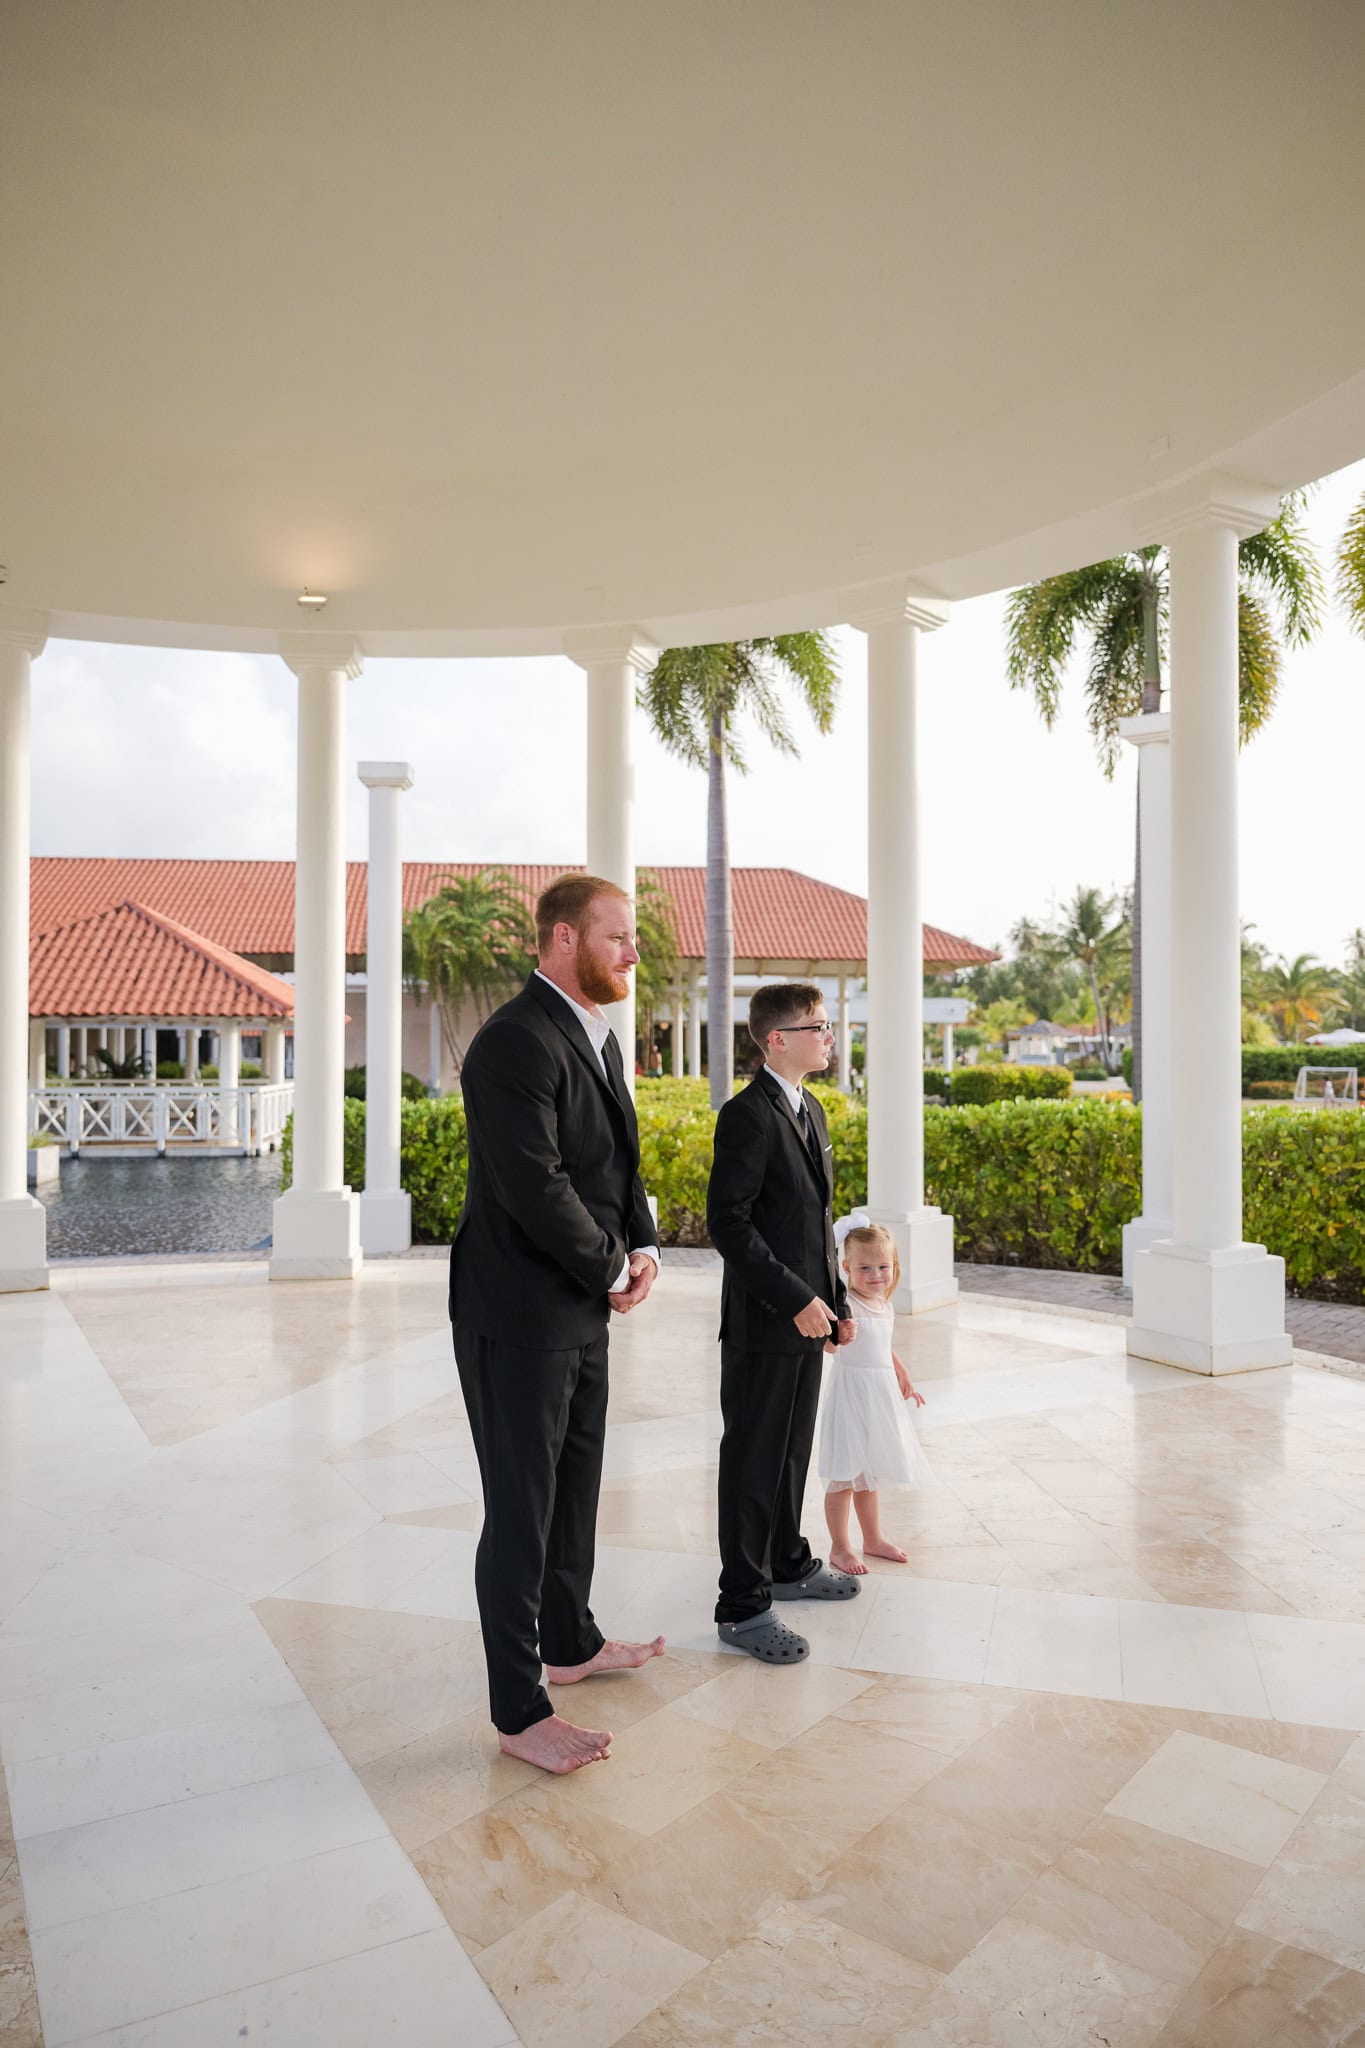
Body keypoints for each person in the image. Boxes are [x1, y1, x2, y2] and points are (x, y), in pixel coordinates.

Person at [449, 874, 665, 1775]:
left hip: (579, 1307)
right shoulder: (512, 1042)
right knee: (522, 1511)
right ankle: (517, 1709)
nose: (632, 951)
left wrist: (643, 1243)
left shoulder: (596, 1036)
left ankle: (569, 1640)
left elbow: (613, 1166)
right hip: (517, 1313)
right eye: (617, 936)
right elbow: (535, 1185)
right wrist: (611, 1265)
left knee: (575, 1489)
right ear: (566, 939)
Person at [706, 982, 859, 1665]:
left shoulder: (811, 1108)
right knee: (752, 1460)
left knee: (791, 1451)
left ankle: (788, 1563)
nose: (827, 1036)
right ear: (776, 1039)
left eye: (826, 1026)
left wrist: (835, 1304)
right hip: (765, 1321)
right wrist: (793, 1298)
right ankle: (741, 1604)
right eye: (817, 1027)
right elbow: (729, 1225)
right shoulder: (746, 1115)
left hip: (807, 1317)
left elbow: (814, 1223)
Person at [819, 1214, 931, 1573]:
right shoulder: (846, 1304)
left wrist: (902, 1373)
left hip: (878, 1394)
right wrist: (839, 1336)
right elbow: (831, 1348)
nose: (876, 1275)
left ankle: (873, 1538)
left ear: (894, 1266)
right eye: (865, 1268)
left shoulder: (884, 1303)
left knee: (869, 1474)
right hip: (852, 1393)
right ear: (847, 1267)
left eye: (883, 1266)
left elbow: (885, 1346)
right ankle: (840, 1546)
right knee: (844, 1473)